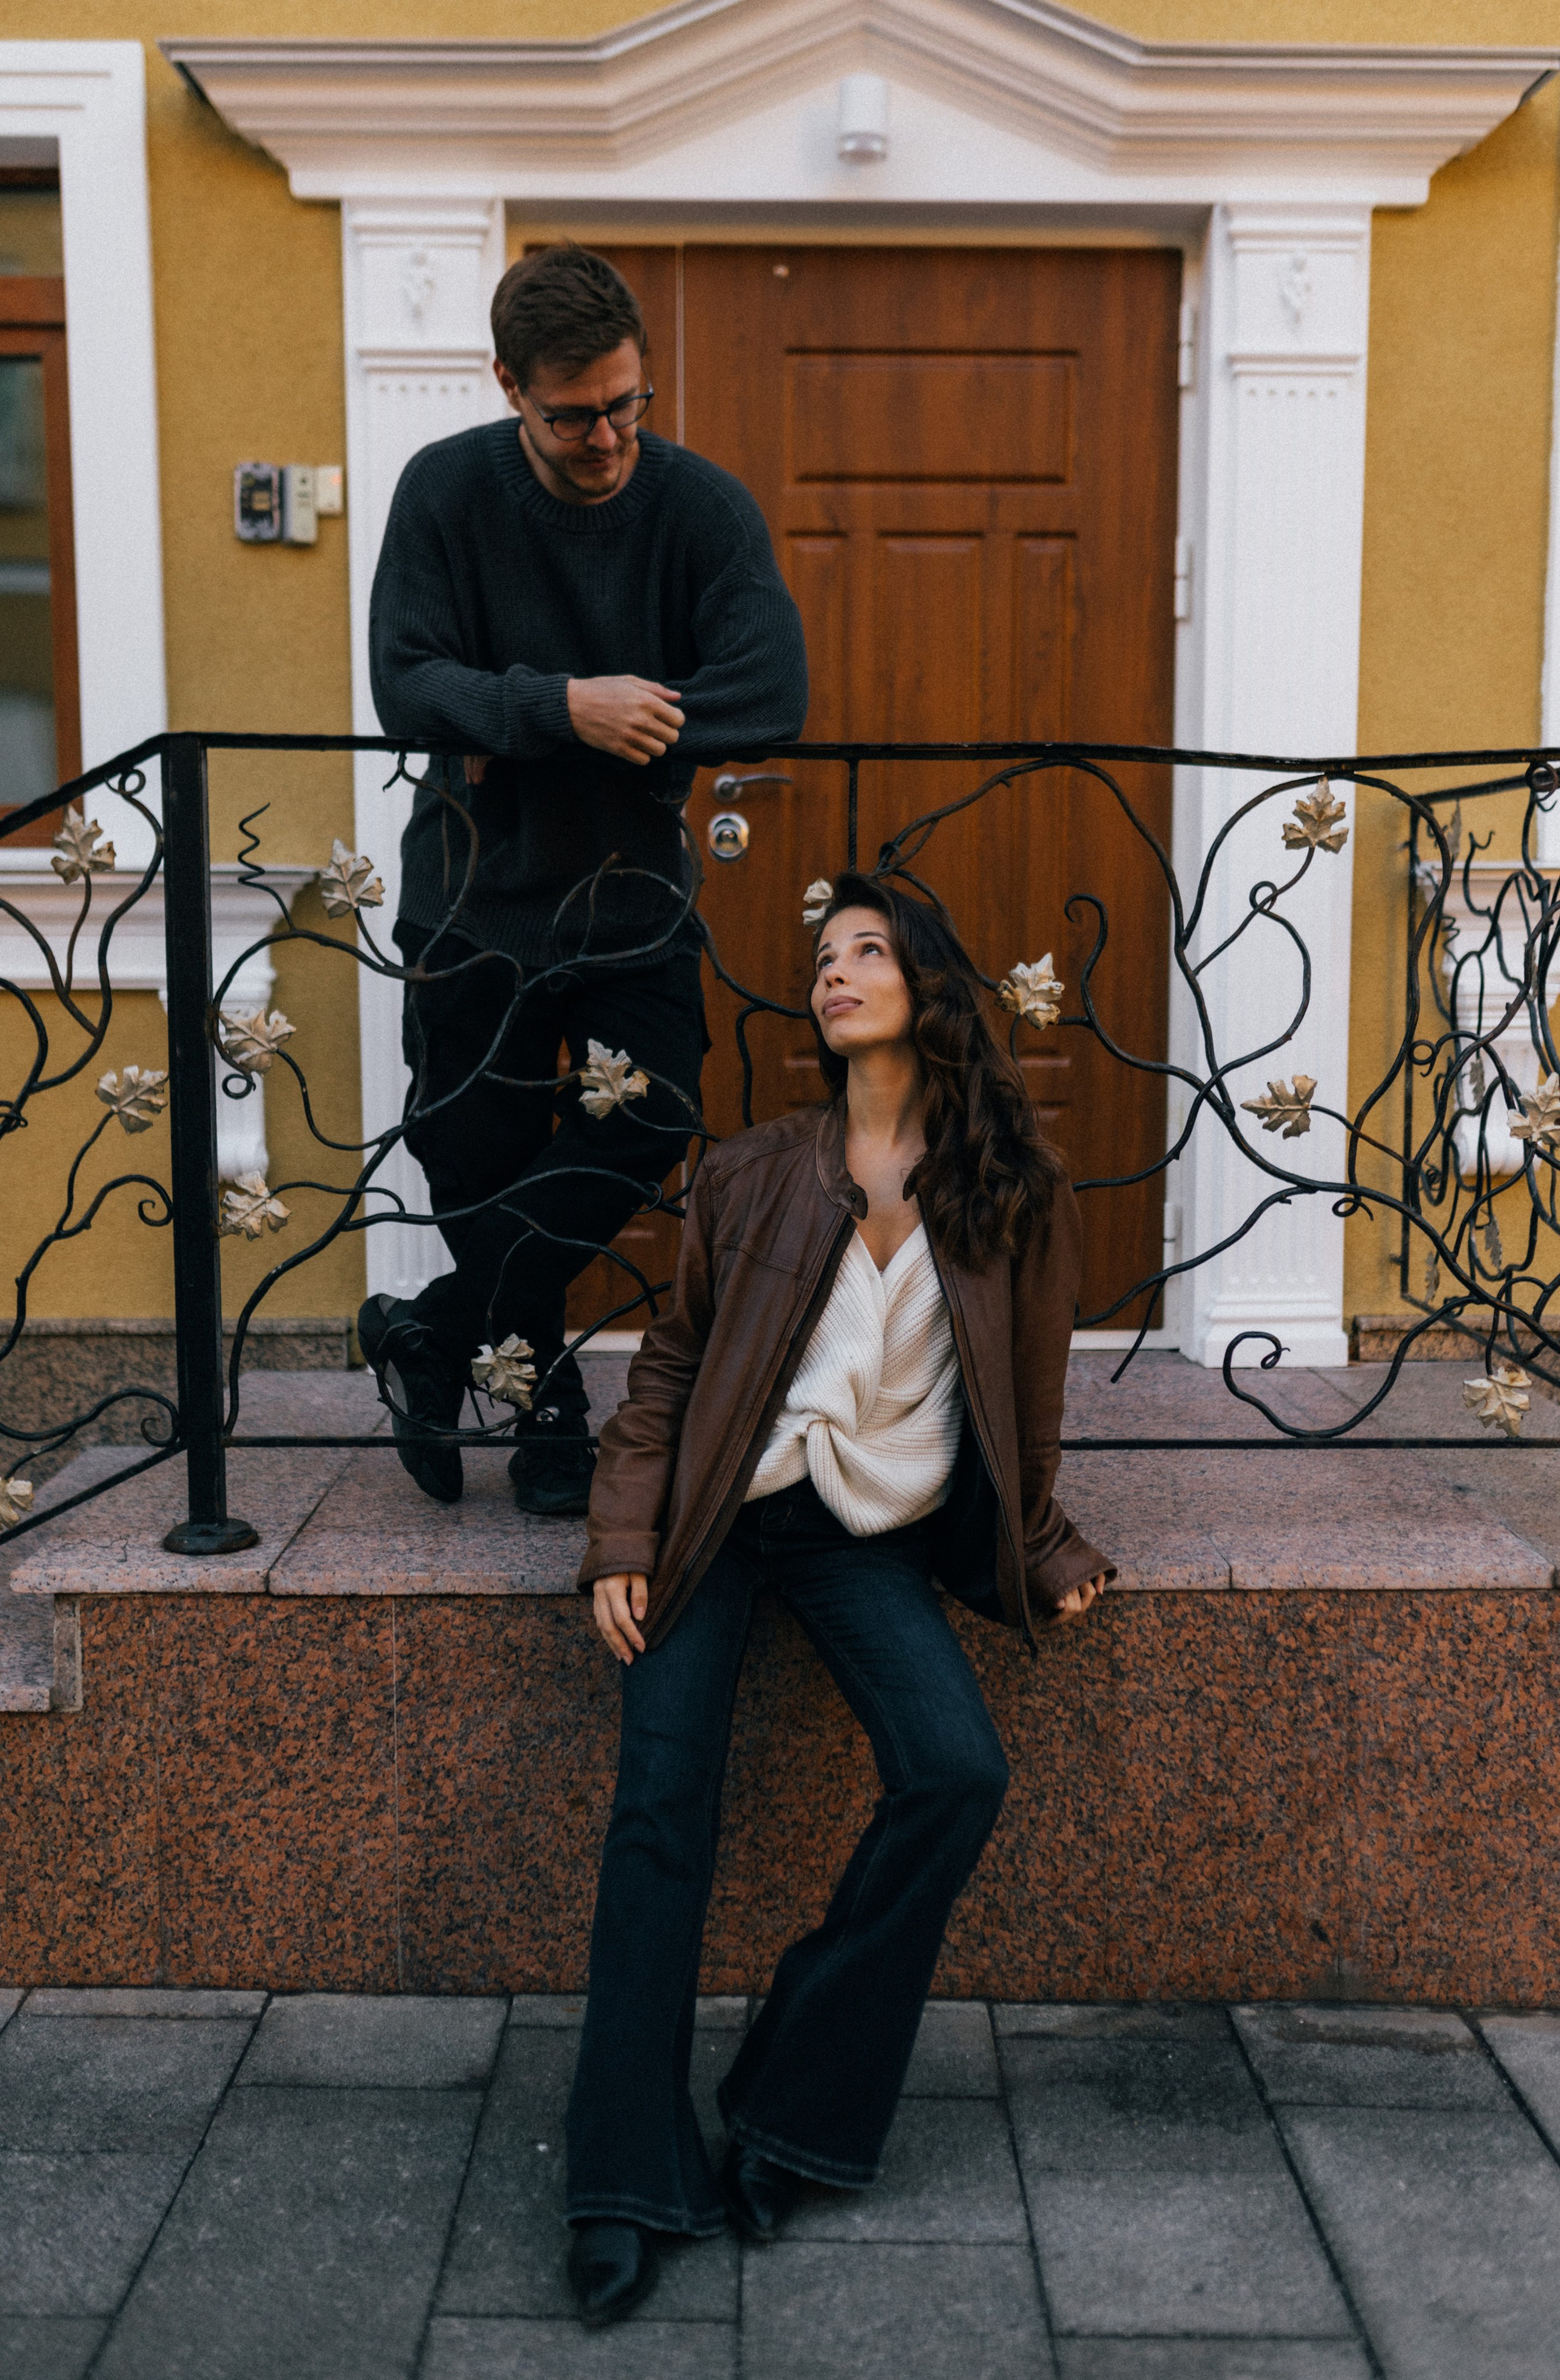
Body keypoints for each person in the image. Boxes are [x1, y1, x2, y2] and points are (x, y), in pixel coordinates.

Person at [563, 871, 1113, 2325]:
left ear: (929, 986)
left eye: (868, 950)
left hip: (862, 1533)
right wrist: (622, 1532)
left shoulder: (1013, 1187)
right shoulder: (753, 1171)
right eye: (823, 956)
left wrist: (1043, 1546)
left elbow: (1028, 1403)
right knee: (658, 1812)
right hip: (717, 1518)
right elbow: (671, 1366)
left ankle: (794, 2098)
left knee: (956, 1769)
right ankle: (622, 2176)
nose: (834, 971)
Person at [363, 245, 808, 1514]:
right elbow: (407, 682)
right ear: (509, 385)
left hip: (631, 900)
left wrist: (581, 720)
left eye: (626, 403)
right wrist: (565, 705)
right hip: (473, 896)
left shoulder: (700, 507)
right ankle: (546, 1409)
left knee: (651, 1117)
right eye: (572, 416)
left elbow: (771, 688)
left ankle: (435, 1330)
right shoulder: (445, 490)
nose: (607, 436)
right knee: (477, 1153)